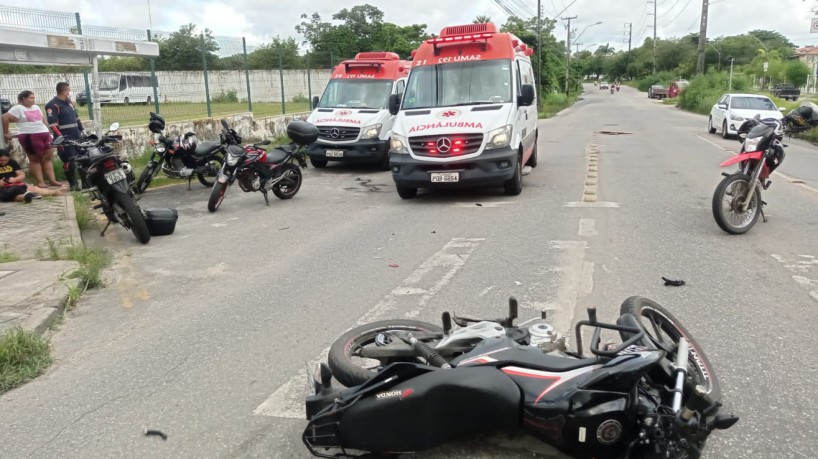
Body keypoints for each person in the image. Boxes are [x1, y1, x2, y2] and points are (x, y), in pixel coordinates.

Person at [2, 90, 65, 188]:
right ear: (23, 99)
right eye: (31, 98)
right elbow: (5, 117)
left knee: (48, 157)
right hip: (29, 136)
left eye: (34, 97)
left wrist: (48, 128)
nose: (33, 100)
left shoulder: (36, 107)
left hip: (44, 134)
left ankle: (53, 180)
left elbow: (42, 118)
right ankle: (40, 182)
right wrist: (6, 132)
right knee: (35, 159)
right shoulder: (18, 108)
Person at [45, 82, 86, 191]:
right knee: (70, 161)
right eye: (69, 90)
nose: (70, 92)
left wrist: (82, 130)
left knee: (83, 159)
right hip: (64, 139)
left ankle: (86, 183)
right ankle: (73, 184)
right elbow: (53, 125)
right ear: (64, 91)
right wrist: (61, 138)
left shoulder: (69, 103)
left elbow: (76, 119)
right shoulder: (52, 105)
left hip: (76, 136)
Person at [0, 149, 67, 203]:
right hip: (3, 188)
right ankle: (28, 196)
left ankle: (55, 192)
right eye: (1, 160)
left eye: (5, 160)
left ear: (9, 158)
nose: (3, 162)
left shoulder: (12, 162)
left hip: (14, 184)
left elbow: (22, 175)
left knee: (33, 188)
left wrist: (15, 179)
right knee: (15, 194)